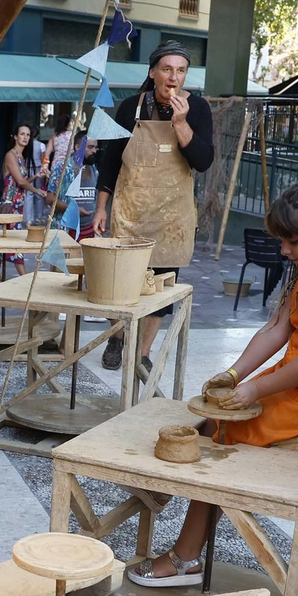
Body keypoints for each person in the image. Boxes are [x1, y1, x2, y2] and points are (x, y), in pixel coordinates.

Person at [127, 181, 298, 589]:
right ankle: (176, 505)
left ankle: (185, 558)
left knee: (224, 433)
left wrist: (254, 391)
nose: (284, 249)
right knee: (212, 420)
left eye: (293, 240)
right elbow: (275, 330)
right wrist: (234, 375)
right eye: (281, 240)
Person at [94, 42, 215, 371]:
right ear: (153, 73)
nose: (173, 76)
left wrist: (181, 123)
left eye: (180, 70)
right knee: (118, 281)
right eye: (167, 69)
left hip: (171, 217)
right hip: (129, 211)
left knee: (163, 288)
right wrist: (101, 207)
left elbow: (203, 160)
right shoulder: (130, 107)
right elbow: (110, 160)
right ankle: (117, 336)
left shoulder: (198, 109)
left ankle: (142, 352)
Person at [0, 122, 49, 278]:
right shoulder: (10, 155)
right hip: (9, 203)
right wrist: (38, 191)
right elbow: (20, 182)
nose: (25, 137)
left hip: (18, 202)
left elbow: (23, 180)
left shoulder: (20, 156)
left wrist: (35, 176)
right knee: (13, 238)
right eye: (22, 134)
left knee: (5, 238)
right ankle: (24, 276)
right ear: (15, 136)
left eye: (28, 134)